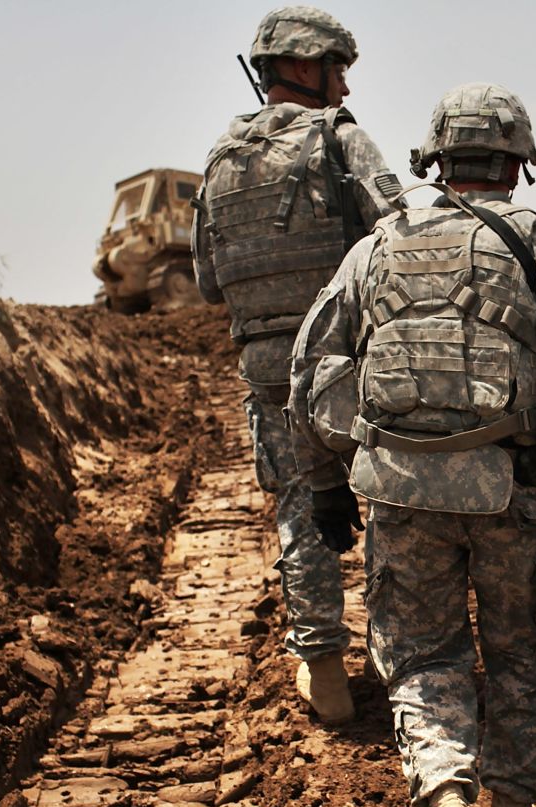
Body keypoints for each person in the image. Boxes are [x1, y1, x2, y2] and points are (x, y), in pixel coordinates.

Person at [290, 82, 536, 807]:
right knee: (519, 649)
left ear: (436, 159)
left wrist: (327, 479)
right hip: (511, 487)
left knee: (420, 650)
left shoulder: (374, 247)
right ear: (519, 164)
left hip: (401, 488)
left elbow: (312, 371)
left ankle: (446, 799)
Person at [191, 6, 403, 725]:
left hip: (269, 370)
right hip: (352, 360)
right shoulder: (341, 140)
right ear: (305, 67)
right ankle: (392, 647)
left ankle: (323, 668)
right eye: (337, 69)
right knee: (387, 504)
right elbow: (402, 241)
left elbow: (207, 281)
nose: (343, 87)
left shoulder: (221, 159)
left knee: (302, 510)